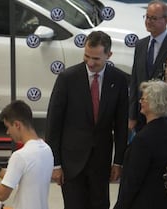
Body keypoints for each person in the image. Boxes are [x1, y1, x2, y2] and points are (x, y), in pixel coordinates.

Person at [45, 31, 129, 209]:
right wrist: (55, 164)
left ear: (109, 55)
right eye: (87, 56)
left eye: (96, 59)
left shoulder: (119, 80)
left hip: (101, 163)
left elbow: (121, 125)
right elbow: (53, 123)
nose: (90, 63)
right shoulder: (67, 78)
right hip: (71, 163)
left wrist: (118, 161)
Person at [0, 100, 54, 209]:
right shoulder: (46, 149)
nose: (7, 132)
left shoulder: (20, 156)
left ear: (17, 125)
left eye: (8, 127)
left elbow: (2, 194)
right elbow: (21, 177)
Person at [113, 80, 167, 209]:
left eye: (144, 99)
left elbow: (133, 180)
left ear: (154, 103)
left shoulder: (144, 139)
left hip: (142, 201)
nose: (140, 101)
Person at [128, 0, 167, 132]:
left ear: (166, 20)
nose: (149, 21)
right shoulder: (140, 45)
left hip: (165, 117)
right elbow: (134, 81)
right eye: (147, 17)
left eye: (154, 18)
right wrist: (132, 115)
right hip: (141, 116)